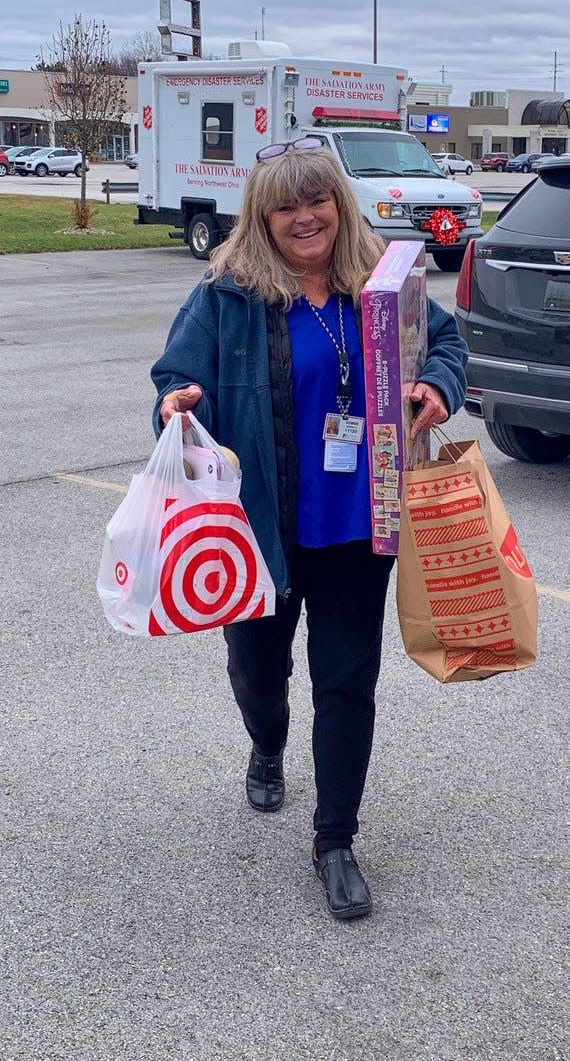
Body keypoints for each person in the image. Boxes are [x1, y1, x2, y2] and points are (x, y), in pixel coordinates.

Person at [151, 139, 468, 921]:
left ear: (340, 205)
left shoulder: (386, 286)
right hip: (262, 529)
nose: (305, 217)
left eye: (317, 200)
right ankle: (267, 741)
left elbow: (450, 345)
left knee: (347, 685)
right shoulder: (227, 294)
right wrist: (177, 402)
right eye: (285, 205)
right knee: (258, 669)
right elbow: (172, 376)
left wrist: (435, 385)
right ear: (262, 216)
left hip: (362, 527)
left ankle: (335, 840)